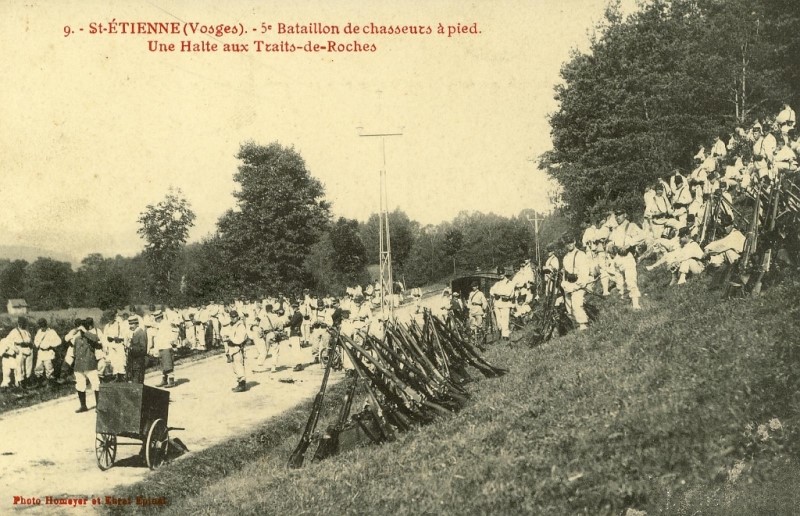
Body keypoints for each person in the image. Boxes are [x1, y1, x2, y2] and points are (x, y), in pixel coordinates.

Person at [609, 209, 644, 309]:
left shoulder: (631, 226)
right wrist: (611, 246)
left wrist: (629, 244)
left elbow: (643, 236)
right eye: (616, 215)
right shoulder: (615, 228)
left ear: (625, 215)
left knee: (630, 280)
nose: (617, 217)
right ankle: (623, 303)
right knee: (619, 283)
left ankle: (635, 304)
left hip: (628, 256)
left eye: (620, 215)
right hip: (617, 257)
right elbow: (611, 241)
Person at [66, 319, 101, 413]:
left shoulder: (91, 337)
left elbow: (96, 339)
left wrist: (86, 331)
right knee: (80, 385)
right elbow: (75, 352)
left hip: (90, 364)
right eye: (80, 330)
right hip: (79, 365)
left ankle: (99, 406)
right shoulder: (77, 339)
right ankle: (83, 406)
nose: (81, 332)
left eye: (82, 330)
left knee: (95, 384)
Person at [223, 310, 249, 392]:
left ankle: (242, 385)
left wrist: (230, 339)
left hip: (237, 347)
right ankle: (240, 383)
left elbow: (241, 338)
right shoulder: (232, 325)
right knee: (235, 367)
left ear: (237, 317)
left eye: (234, 317)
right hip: (232, 348)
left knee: (239, 366)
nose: (233, 318)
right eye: (231, 317)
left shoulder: (240, 325)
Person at [150, 310, 177, 388]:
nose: (156, 320)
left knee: (168, 364)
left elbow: (171, 335)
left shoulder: (166, 324)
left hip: (166, 346)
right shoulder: (160, 325)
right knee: (163, 365)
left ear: (160, 317)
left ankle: (171, 381)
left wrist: (172, 344)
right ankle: (164, 380)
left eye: (157, 318)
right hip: (161, 347)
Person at [33, 318, 62, 387]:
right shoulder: (39, 331)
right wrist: (37, 345)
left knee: (49, 367)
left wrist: (51, 344)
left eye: (43, 325)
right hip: (41, 352)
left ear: (45, 324)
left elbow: (59, 341)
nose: (42, 327)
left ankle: (50, 384)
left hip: (48, 352)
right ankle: (39, 383)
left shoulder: (51, 332)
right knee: (38, 367)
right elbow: (36, 340)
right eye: (40, 325)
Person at [490, 267, 516, 340]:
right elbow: (491, 291)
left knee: (505, 319)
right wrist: (495, 294)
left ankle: (505, 335)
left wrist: (498, 293)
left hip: (505, 303)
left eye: (502, 274)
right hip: (497, 303)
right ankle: (500, 333)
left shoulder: (509, 283)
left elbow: (509, 293)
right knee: (499, 320)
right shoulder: (497, 283)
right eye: (499, 274)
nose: (500, 275)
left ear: (504, 273)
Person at [103, 310, 128, 382]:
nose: (109, 320)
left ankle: (122, 376)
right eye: (108, 319)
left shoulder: (119, 325)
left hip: (119, 344)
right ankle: (116, 376)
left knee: (121, 360)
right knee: (113, 361)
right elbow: (104, 338)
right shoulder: (107, 326)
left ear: (114, 317)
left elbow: (125, 335)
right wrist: (105, 348)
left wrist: (124, 344)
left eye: (111, 318)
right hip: (111, 345)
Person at [9, 317, 33, 388]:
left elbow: (30, 340)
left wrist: (31, 346)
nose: (23, 324)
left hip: (28, 350)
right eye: (21, 323)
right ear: (18, 323)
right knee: (20, 367)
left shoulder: (26, 331)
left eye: (24, 323)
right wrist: (15, 349)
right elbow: (8, 342)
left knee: (28, 367)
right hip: (20, 350)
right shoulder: (14, 331)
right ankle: (20, 382)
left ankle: (27, 381)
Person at [127, 315, 148, 384]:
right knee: (135, 382)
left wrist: (131, 348)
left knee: (138, 382)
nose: (131, 326)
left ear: (137, 324)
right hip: (134, 363)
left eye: (132, 324)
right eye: (130, 324)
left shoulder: (141, 333)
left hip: (139, 362)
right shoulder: (134, 333)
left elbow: (143, 349)